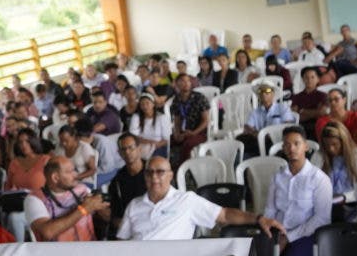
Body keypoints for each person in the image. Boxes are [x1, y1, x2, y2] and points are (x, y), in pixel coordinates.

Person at [256, 125, 331, 256]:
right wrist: (269, 230)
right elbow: (270, 209)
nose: (291, 148)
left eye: (296, 143)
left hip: (308, 234)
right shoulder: (278, 177)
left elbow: (321, 219)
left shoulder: (319, 179)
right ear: (283, 148)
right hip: (279, 230)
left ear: (306, 146)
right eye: (287, 144)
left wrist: (288, 238)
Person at [117, 155, 254, 240]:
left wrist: (258, 219)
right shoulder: (134, 205)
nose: (154, 177)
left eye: (160, 172)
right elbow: (121, 242)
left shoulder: (186, 200)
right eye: (149, 173)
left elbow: (224, 215)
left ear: (170, 176)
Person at [26, 156, 109, 242]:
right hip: (57, 253)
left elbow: (107, 216)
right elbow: (48, 232)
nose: (75, 175)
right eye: (70, 172)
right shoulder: (34, 199)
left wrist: (101, 207)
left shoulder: (81, 189)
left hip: (89, 248)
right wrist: (84, 209)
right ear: (55, 178)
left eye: (74, 170)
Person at [312, 120, 357, 197]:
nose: (331, 149)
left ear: (344, 141)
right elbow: (311, 183)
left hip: (353, 202)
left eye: (335, 144)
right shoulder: (319, 156)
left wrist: (344, 198)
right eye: (327, 145)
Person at [106, 133, 148, 235]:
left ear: (139, 148)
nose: (127, 152)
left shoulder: (152, 171)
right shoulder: (117, 181)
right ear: (120, 153)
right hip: (132, 226)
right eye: (123, 149)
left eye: (131, 148)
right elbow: (116, 215)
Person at [169, 73, 211, 166]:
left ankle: (182, 169)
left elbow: (206, 120)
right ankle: (168, 166)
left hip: (200, 132)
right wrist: (177, 133)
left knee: (187, 144)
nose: (186, 83)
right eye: (183, 81)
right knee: (168, 141)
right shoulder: (176, 99)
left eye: (188, 81)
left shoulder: (199, 97)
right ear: (177, 84)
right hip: (184, 132)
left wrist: (193, 133)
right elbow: (177, 120)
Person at [80, 121, 122, 189]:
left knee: (86, 185)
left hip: (113, 168)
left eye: (84, 142)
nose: (83, 145)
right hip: (97, 167)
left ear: (91, 135)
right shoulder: (82, 142)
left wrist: (87, 172)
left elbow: (107, 167)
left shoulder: (102, 143)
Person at [129, 92, 170, 159]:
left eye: (147, 103)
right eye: (142, 104)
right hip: (141, 145)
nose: (145, 106)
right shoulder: (136, 117)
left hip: (158, 146)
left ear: (153, 104)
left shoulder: (162, 117)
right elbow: (133, 136)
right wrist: (149, 142)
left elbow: (166, 140)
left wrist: (154, 146)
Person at [290, 67, 328, 135]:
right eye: (306, 77)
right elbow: (295, 116)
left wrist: (303, 111)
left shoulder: (323, 95)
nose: (309, 80)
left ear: (318, 79)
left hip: (318, 126)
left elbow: (322, 112)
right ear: (303, 79)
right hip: (300, 127)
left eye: (312, 77)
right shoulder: (296, 97)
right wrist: (315, 112)